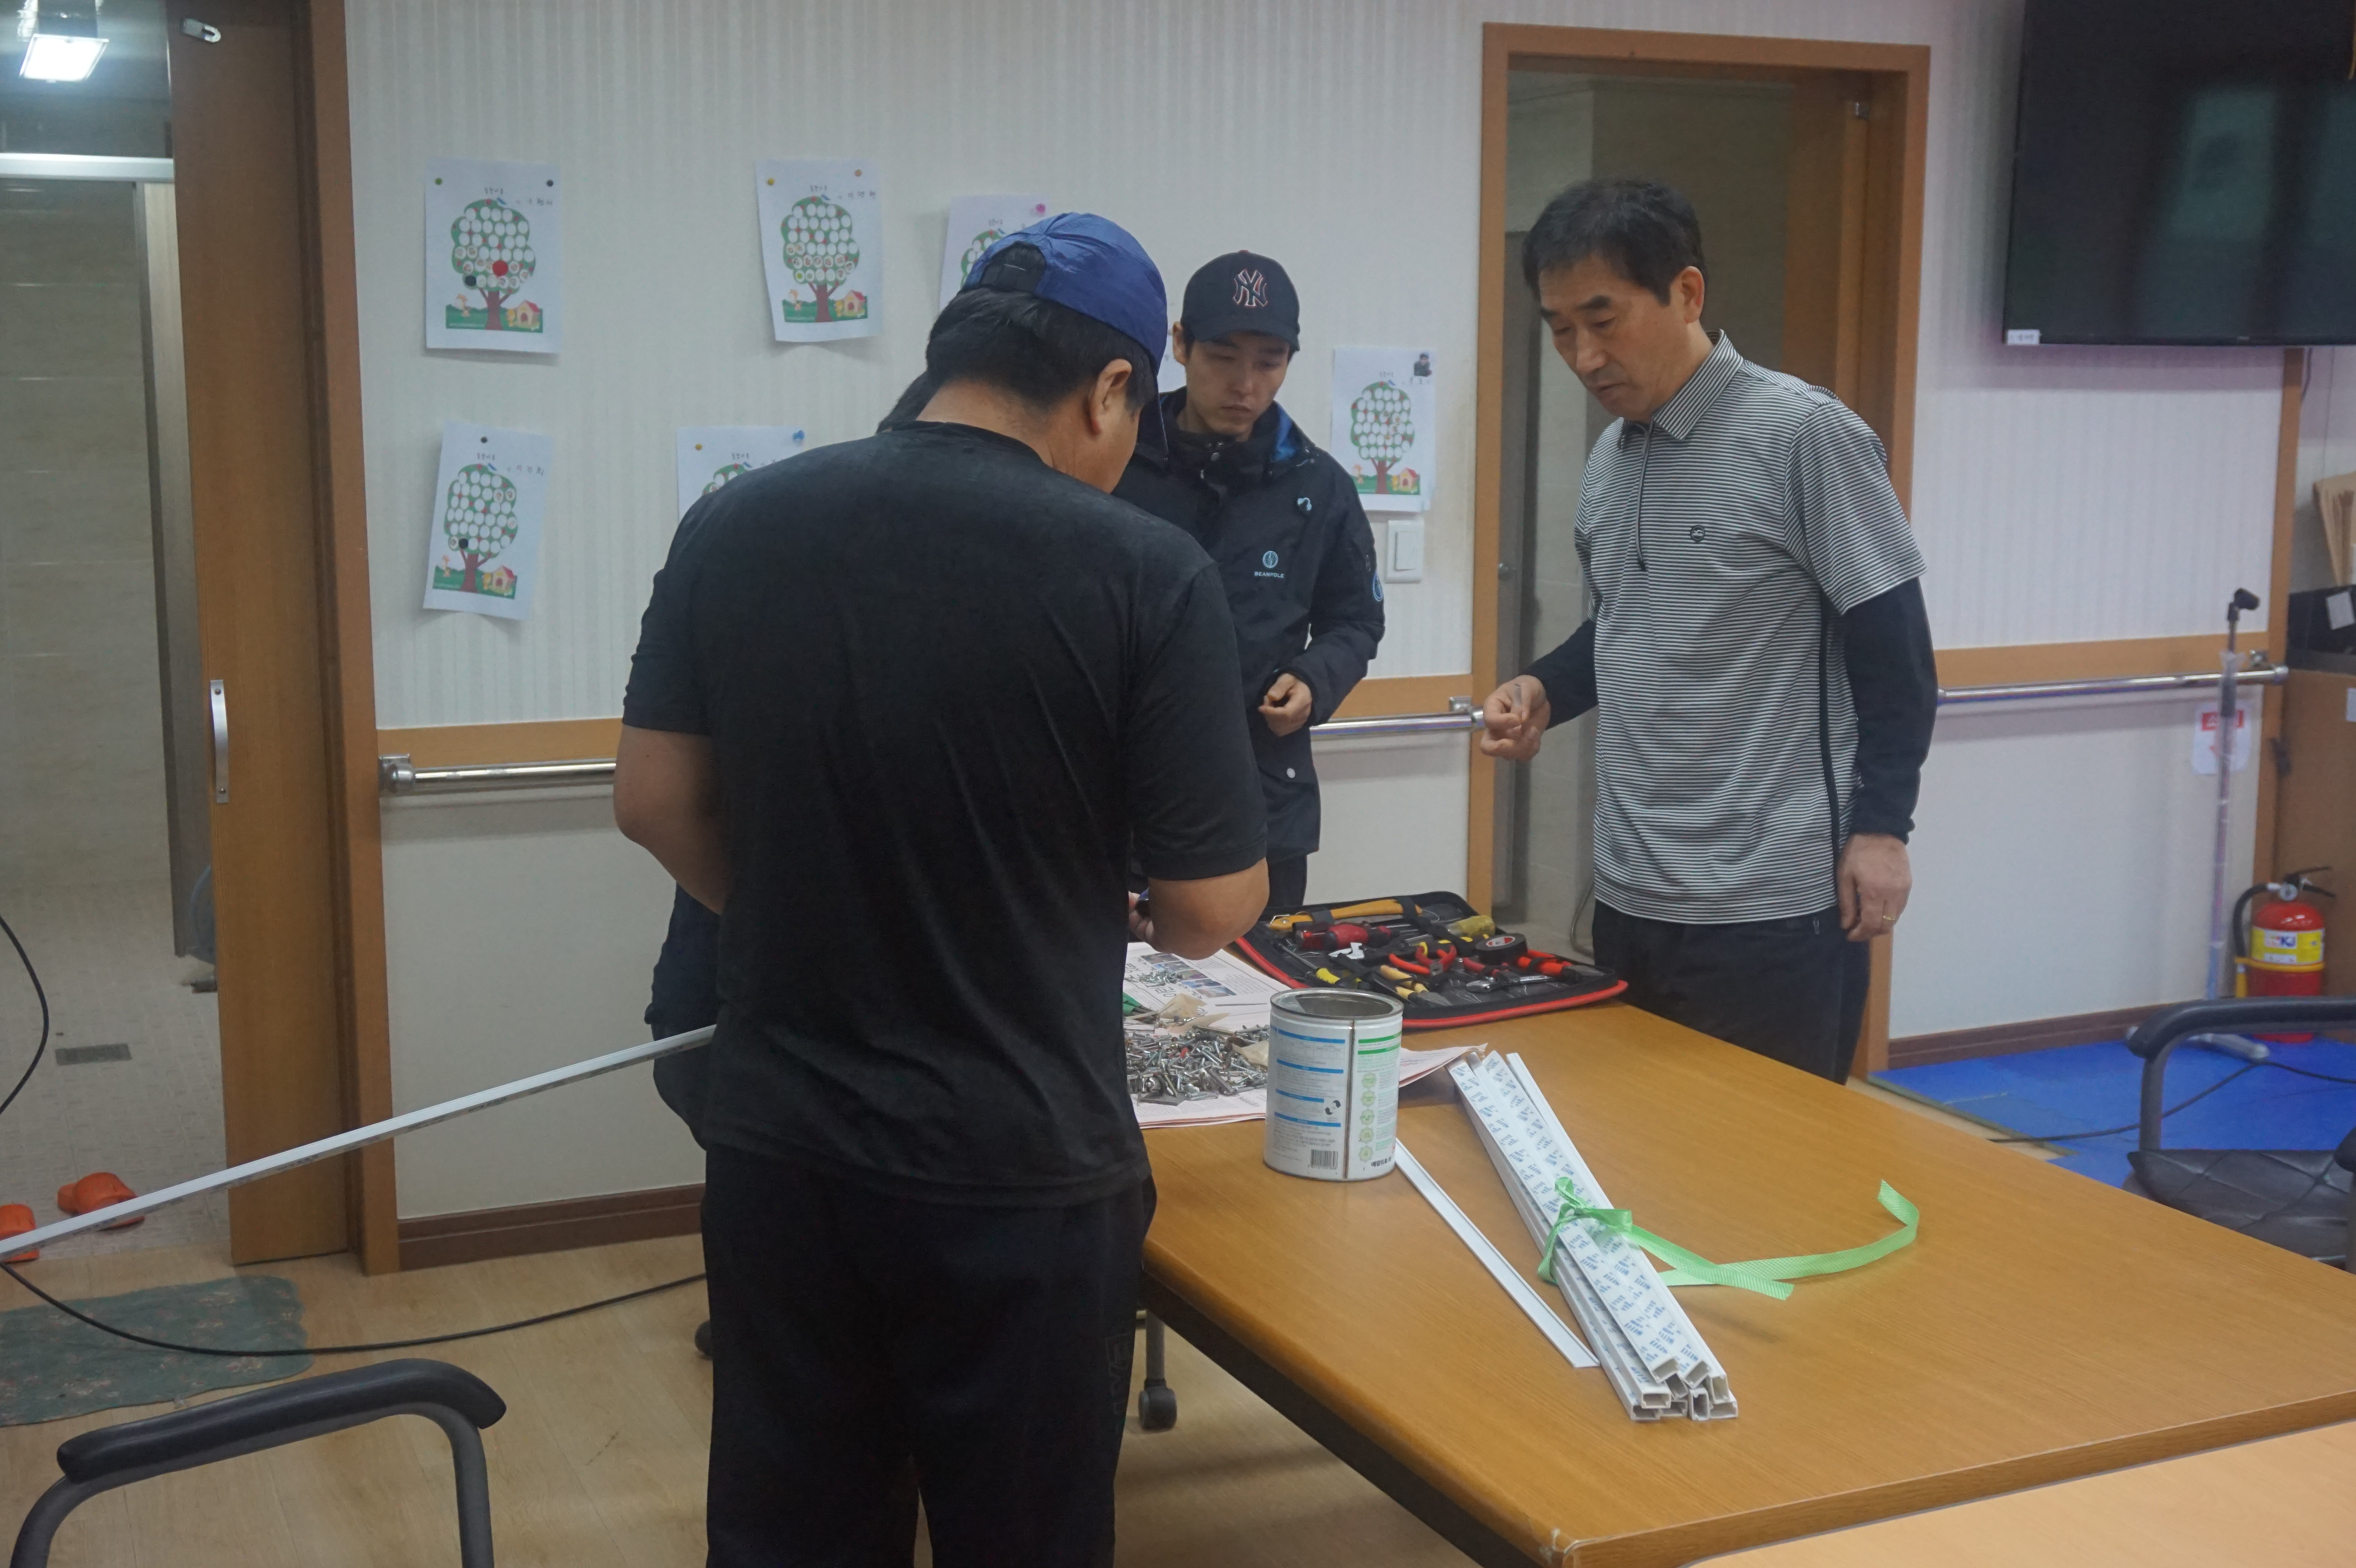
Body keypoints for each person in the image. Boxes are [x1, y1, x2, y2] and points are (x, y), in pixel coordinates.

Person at [613, 214, 1269, 1566]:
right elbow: (1211, 909)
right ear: (1111, 389)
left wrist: (804, 915)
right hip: (1014, 1166)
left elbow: (654, 801)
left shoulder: (738, 520)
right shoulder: (1146, 572)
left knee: (797, 1534)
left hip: (786, 1147)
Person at [1478, 178, 1936, 1084]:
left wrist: (1884, 829)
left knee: (1764, 1160)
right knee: (1637, 1151)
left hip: (1775, 905)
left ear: (1686, 293)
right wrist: (1542, 688)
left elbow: (1898, 656)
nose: (1583, 356)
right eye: (1560, 329)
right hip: (1631, 893)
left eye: (1603, 320)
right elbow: (1627, 628)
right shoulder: (1611, 456)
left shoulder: (1806, 435)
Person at [642, 370, 943, 1361]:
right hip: (762, 934)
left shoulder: (750, 532)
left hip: (838, 960)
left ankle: (802, 1317)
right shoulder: (783, 550)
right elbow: (659, 797)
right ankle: (783, 1312)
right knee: (719, 1078)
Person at [1114, 251, 1384, 916]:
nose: (1246, 384)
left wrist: (1315, 678)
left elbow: (1357, 621)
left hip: (1260, 800)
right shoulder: (1113, 457)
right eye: (1223, 357)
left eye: (1269, 362)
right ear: (1180, 345)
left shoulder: (1319, 485)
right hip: (1114, 795)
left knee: (1258, 975)